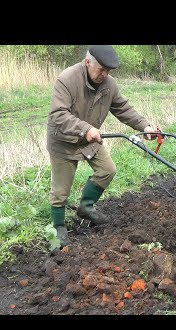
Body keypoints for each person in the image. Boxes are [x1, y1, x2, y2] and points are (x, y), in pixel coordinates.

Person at [47, 45, 156, 247]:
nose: (104, 75)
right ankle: (58, 227)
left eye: (108, 71)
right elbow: (58, 114)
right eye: (101, 70)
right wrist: (85, 129)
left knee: (107, 170)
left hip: (89, 139)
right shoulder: (68, 79)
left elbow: (122, 107)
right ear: (88, 63)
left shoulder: (108, 84)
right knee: (61, 191)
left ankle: (86, 206)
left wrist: (144, 126)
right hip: (64, 140)